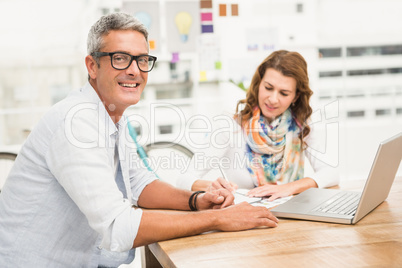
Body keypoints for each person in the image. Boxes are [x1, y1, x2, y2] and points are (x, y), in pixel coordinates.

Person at [0, 13, 278, 267]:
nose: (135, 70)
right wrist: (218, 218)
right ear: (92, 65)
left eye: (142, 60)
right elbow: (117, 226)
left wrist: (197, 200)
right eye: (120, 58)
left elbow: (141, 184)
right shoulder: (76, 121)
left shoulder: (111, 115)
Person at [177, 50, 339, 201]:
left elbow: (331, 173)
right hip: (247, 220)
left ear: (296, 96)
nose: (273, 99)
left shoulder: (302, 126)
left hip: (293, 219)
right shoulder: (230, 127)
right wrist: (209, 186)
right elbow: (184, 178)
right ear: (259, 84)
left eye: (284, 93)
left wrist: (287, 188)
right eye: (268, 88)